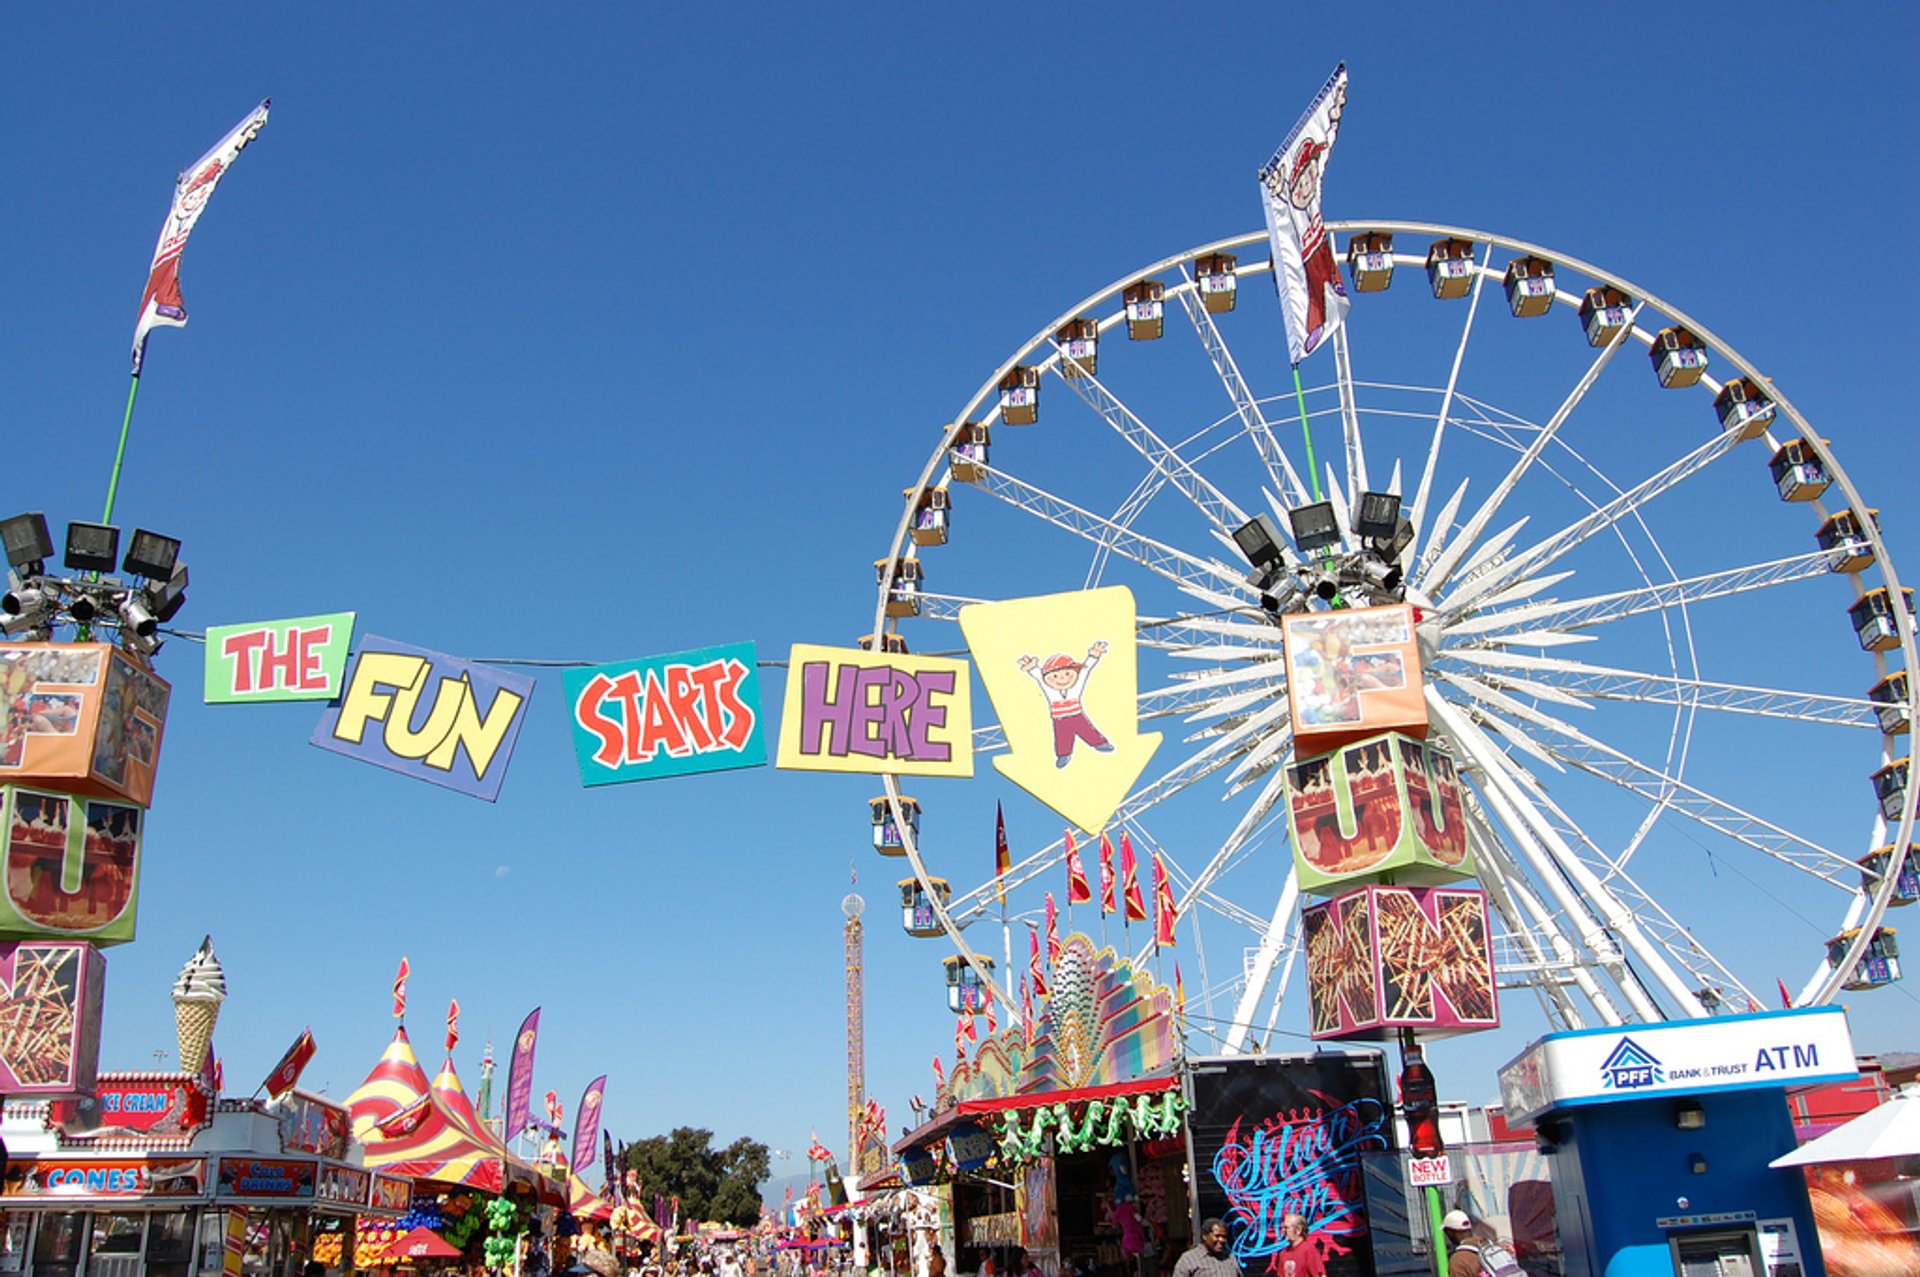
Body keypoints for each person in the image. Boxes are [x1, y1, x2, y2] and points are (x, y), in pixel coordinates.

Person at [1171, 1220, 1238, 1277]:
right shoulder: (1189, 1259)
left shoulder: (1230, 1258)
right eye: (1217, 1236)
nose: (1221, 1240)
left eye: (1224, 1237)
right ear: (1204, 1236)